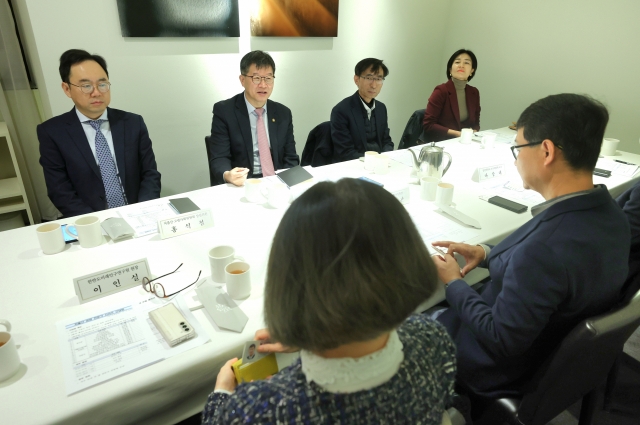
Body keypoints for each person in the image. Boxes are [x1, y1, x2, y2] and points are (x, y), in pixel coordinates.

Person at [202, 178, 456, 424]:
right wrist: (312, 335)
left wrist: (221, 395)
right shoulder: (433, 338)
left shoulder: (259, 409)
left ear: (287, 284)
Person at [431, 93, 630, 399]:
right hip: (546, 350)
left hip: (488, 363)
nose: (516, 158)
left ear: (546, 151)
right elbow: (540, 274)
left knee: (394, 319)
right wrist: (485, 253)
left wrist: (455, 284)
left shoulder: (546, 249)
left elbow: (500, 338)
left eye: (519, 148)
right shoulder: (611, 216)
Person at [37, 49, 161, 218]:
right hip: (89, 222)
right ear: (67, 89)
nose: (96, 92)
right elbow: (59, 191)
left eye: (102, 84)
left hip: (137, 214)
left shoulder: (132, 123)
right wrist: (96, 223)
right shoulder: (52, 132)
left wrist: (143, 212)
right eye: (86, 86)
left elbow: (150, 174)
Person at [208, 50, 299, 186]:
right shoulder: (225, 111)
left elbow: (290, 157)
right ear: (242, 80)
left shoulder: (283, 113)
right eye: (256, 78)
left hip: (277, 183)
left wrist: (287, 184)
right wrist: (228, 174)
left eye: (268, 78)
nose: (263, 85)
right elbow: (219, 157)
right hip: (244, 184)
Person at [330, 58, 394, 163]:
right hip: (354, 166)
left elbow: (386, 141)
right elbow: (345, 152)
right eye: (369, 78)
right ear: (357, 80)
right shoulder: (341, 110)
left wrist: (385, 158)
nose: (374, 85)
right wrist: (372, 161)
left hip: (379, 165)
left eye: (378, 79)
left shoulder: (381, 108)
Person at [423, 49, 480, 143]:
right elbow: (428, 124)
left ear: (472, 71)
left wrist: (474, 131)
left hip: (465, 142)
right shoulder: (441, 91)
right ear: (450, 69)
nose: (461, 65)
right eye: (457, 62)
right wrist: (458, 134)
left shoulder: (474, 92)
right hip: (441, 142)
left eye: (466, 63)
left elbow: (475, 123)